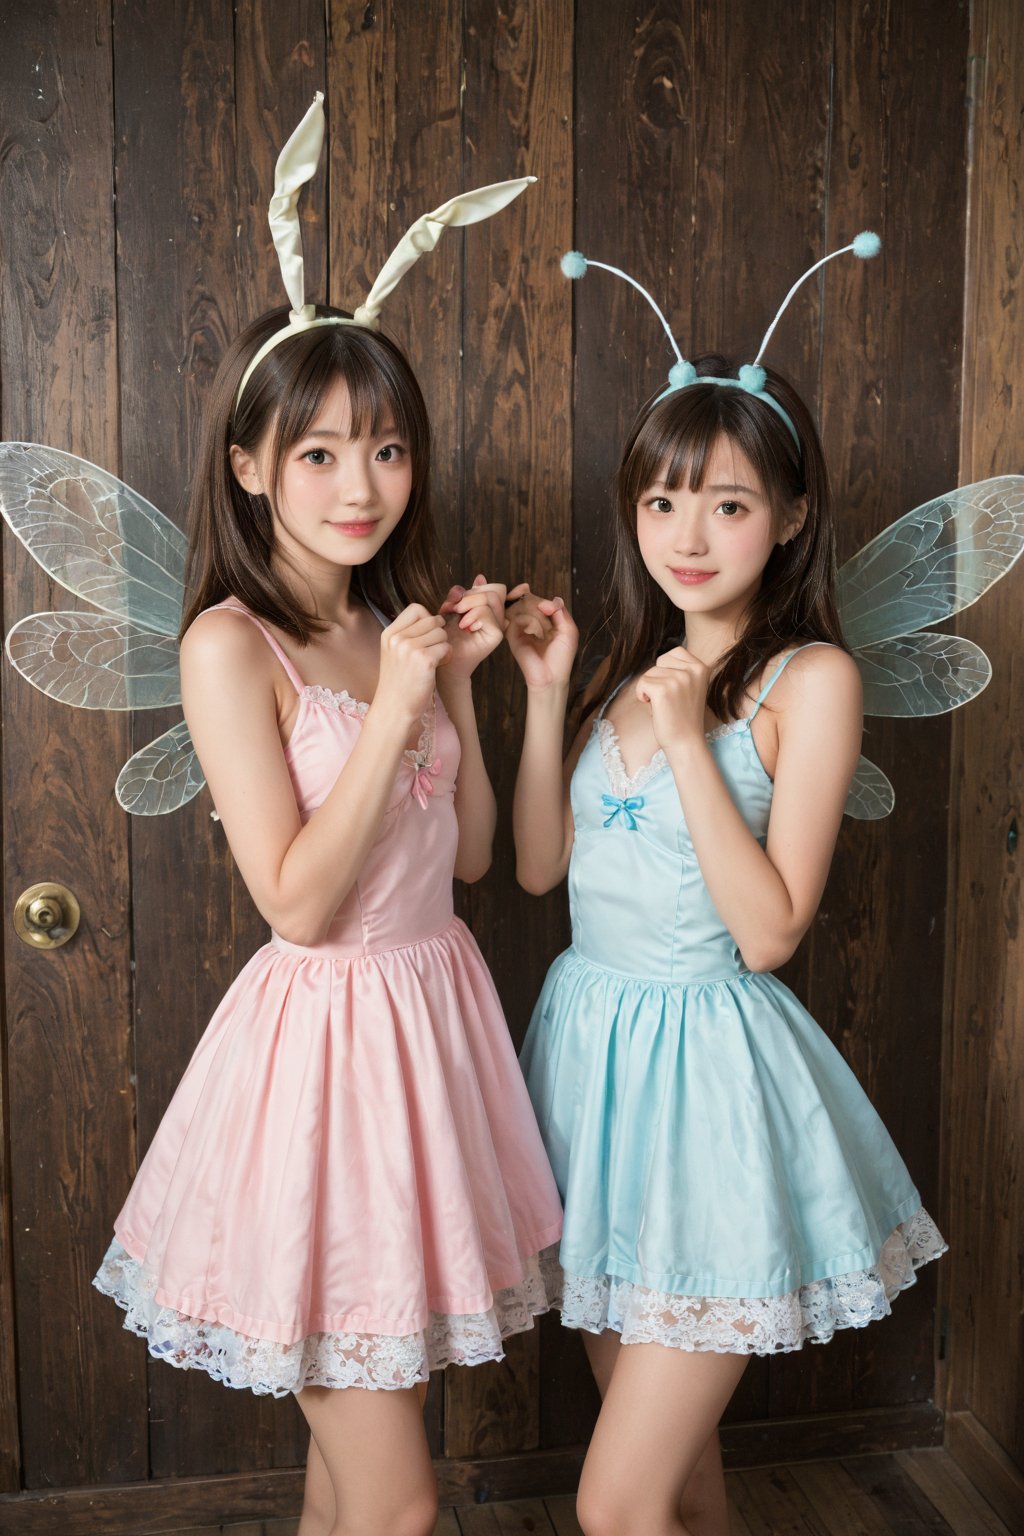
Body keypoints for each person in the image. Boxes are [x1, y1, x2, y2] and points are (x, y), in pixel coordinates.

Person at [93, 98, 562, 1536]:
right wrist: (405, 696)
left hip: (433, 1036)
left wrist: (466, 685)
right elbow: (295, 901)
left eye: (389, 450)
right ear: (249, 467)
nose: (362, 486)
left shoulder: (395, 627)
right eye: (318, 455)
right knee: (401, 1505)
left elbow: (478, 862)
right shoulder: (233, 647)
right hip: (322, 1063)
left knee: (347, 1479)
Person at [507, 245, 946, 1535]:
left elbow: (769, 932)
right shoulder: (623, 669)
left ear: (795, 516)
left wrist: (694, 737)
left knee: (619, 1504)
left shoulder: (809, 683)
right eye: (660, 504)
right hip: (588, 1069)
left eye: (730, 506)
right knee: (684, 1487)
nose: (686, 538)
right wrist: (546, 699)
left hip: (706, 1089)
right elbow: (541, 870)